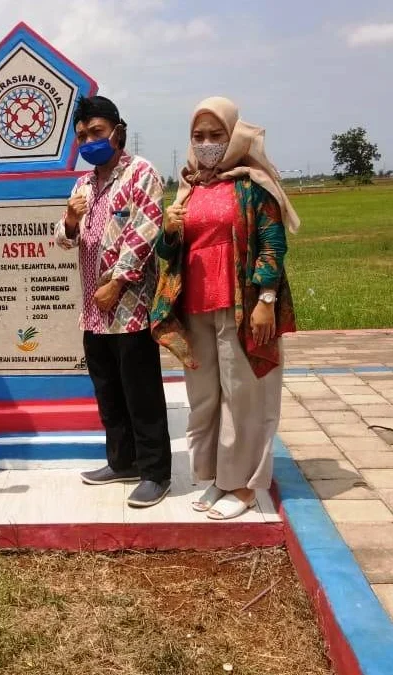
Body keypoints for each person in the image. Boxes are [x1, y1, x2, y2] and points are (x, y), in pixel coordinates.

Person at [151, 96, 298, 520]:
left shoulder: (253, 185)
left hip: (241, 305)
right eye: (199, 136)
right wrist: (169, 231)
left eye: (217, 135)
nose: (207, 143)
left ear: (233, 136)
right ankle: (218, 475)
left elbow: (272, 242)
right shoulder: (189, 186)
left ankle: (245, 486)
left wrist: (266, 299)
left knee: (245, 396)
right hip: (195, 307)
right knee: (205, 398)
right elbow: (168, 253)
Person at [55, 95, 172, 509]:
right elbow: (64, 238)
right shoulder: (83, 184)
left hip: (129, 309)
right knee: (108, 391)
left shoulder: (142, 174)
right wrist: (69, 219)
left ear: (117, 132)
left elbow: (145, 231)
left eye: (97, 133)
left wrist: (118, 283)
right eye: (83, 135)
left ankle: (156, 472)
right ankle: (121, 461)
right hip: (92, 312)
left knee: (141, 392)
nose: (89, 141)